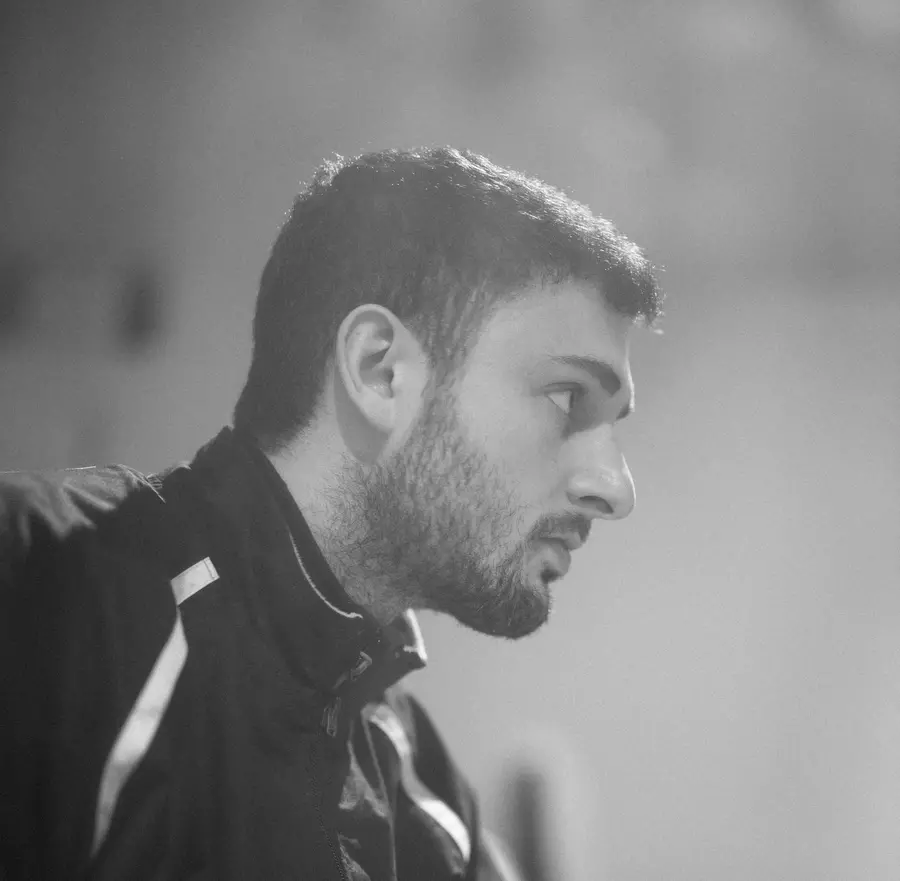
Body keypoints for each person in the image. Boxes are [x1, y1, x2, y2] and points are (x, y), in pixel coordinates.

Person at [0, 147, 663, 880]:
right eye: (568, 397)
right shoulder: (42, 586)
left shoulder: (426, 794)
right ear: (381, 371)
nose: (615, 487)